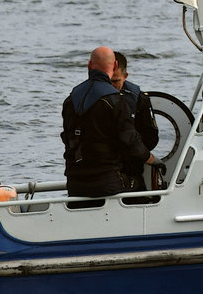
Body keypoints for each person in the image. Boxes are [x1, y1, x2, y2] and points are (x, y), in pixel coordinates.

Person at [61, 46, 161, 202]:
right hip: (108, 183)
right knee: (141, 190)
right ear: (115, 66)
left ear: (89, 65)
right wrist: (152, 160)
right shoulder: (116, 101)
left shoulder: (71, 99)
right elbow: (130, 140)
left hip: (74, 184)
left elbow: (67, 138)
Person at [112, 51, 161, 191]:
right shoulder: (96, 98)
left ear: (125, 76)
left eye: (116, 81)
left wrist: (134, 150)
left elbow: (151, 137)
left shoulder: (138, 99)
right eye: (109, 81)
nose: (112, 86)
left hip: (131, 167)